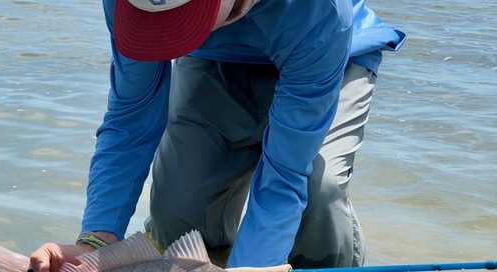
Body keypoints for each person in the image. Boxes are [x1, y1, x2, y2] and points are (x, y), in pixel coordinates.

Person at [29, 0, 405, 271]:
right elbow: (131, 118)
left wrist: (258, 264)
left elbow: (285, 170)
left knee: (316, 194)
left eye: (180, 18)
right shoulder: (130, 4)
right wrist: (95, 244)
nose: (162, 28)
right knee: (177, 211)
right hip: (214, 56)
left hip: (326, 52)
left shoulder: (318, 11)